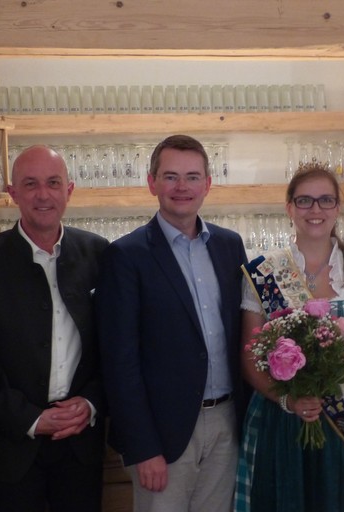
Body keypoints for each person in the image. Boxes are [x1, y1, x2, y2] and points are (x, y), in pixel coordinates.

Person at [95, 134, 247, 512]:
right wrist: (143, 447)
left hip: (227, 422)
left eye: (192, 177)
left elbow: (244, 334)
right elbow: (119, 362)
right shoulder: (126, 255)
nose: (182, 187)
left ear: (207, 184)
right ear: (152, 183)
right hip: (162, 435)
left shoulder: (230, 246)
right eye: (171, 177)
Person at [235, 163, 344, 512]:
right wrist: (288, 401)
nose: (315, 209)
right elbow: (249, 358)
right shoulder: (265, 271)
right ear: (289, 207)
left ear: (338, 207)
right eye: (304, 200)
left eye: (326, 200)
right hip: (279, 421)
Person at [0, 145, 108, 511]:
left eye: (53, 183)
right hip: (9, 447)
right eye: (30, 184)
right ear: (13, 193)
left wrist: (91, 403)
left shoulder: (99, 253)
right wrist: (31, 418)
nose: (43, 194)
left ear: (69, 190)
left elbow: (113, 347)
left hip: (80, 445)